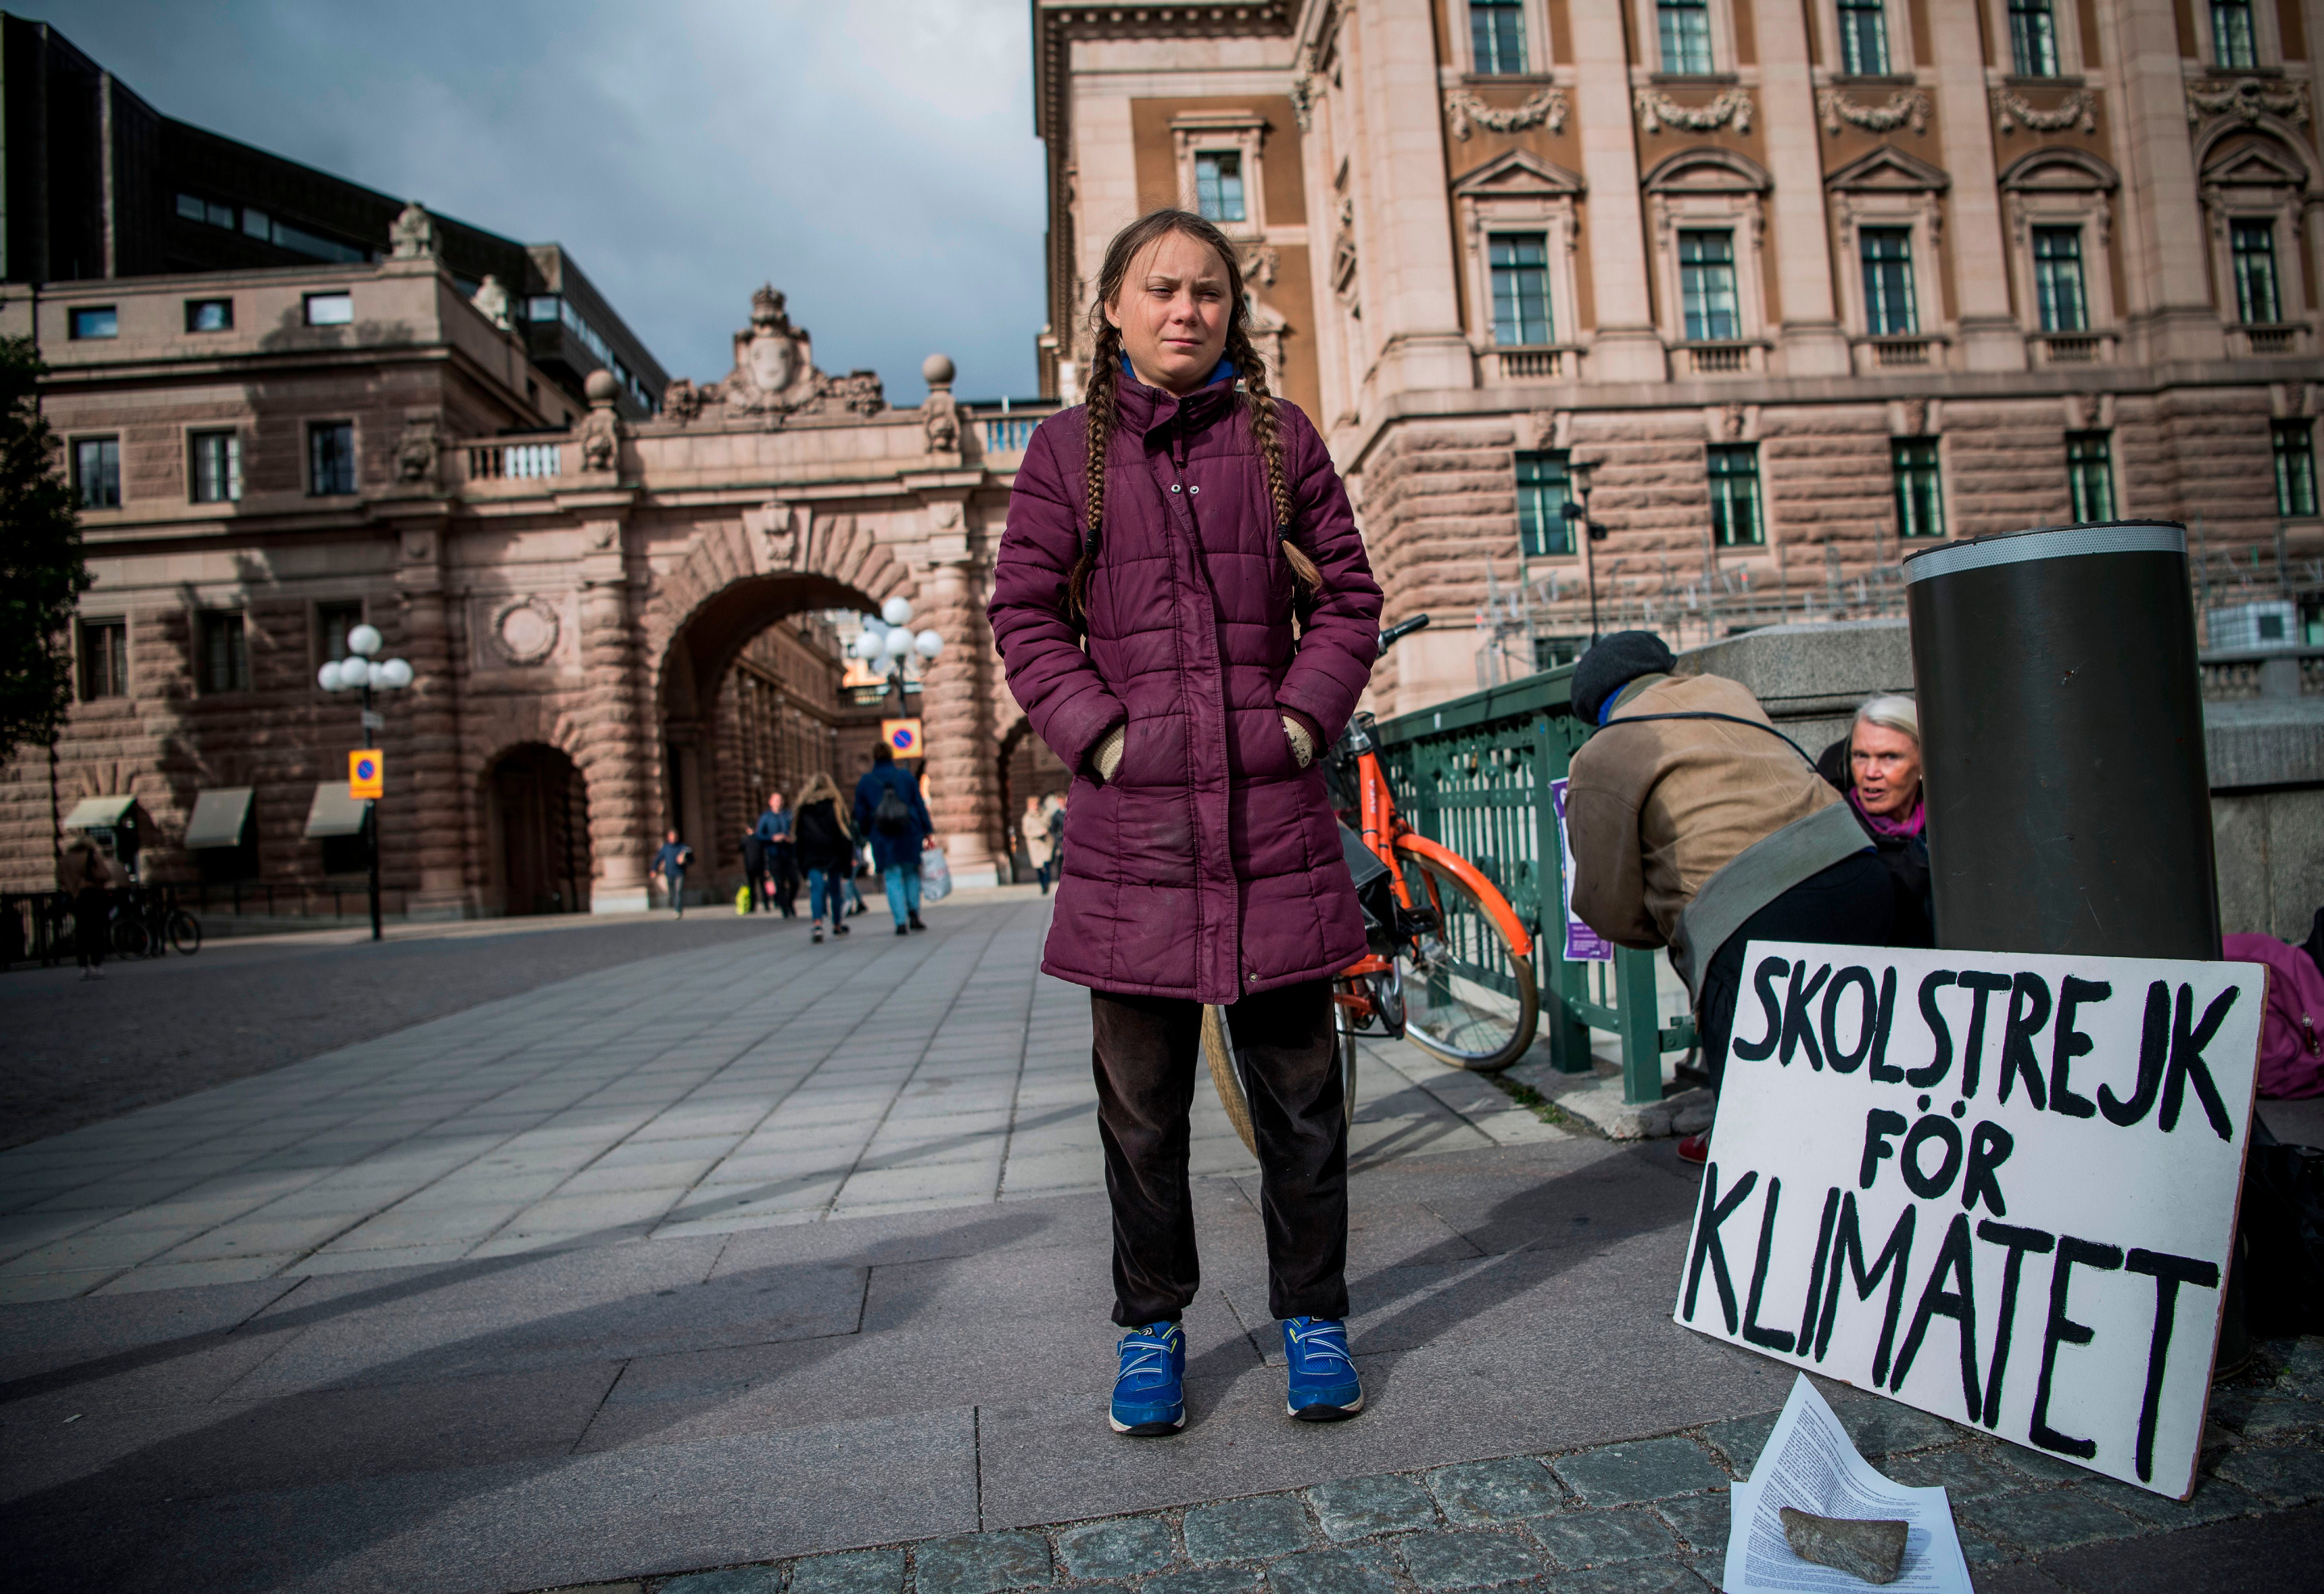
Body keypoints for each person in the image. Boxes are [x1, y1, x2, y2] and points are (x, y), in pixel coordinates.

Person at [989, 207, 1384, 1436]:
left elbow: (1349, 598)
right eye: (1159, 289)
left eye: (1207, 292)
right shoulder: (1066, 451)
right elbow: (1024, 615)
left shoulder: (1280, 438)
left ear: (1232, 311)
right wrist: (1102, 736)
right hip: (1134, 844)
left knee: (1303, 1102)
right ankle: (1150, 1328)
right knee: (1140, 1115)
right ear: (1110, 307)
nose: (1184, 310)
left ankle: (1311, 1316)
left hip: (1270, 822)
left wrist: (1301, 725)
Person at [1563, 631, 1893, 1165]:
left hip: (1752, 910)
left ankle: (1753, 1163)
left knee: (1753, 1075)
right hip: (1857, 865)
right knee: (1862, 1039)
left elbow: (1606, 904)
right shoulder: (1726, 690)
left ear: (1592, 706)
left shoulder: (1602, 755)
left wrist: (1684, 925)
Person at [1815, 695, 1933, 949]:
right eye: (1860, 756)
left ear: (1925, 763)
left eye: (1889, 757)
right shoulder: (1831, 833)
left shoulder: (1950, 826)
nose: (1871, 773)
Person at [854, 744, 937, 936]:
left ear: (874, 757)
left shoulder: (866, 781)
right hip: (909, 831)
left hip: (882, 835)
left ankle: (900, 922)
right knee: (911, 873)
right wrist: (927, 830)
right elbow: (919, 803)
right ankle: (914, 913)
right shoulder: (906, 777)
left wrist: (867, 832)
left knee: (892, 877)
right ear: (892, 756)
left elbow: (861, 812)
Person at [793, 771, 854, 944]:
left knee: (817, 891)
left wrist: (801, 865)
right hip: (833, 854)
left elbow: (800, 839)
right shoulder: (836, 805)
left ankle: (818, 924)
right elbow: (845, 835)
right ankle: (837, 926)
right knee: (836, 892)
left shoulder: (804, 808)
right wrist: (847, 863)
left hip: (812, 855)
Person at [57, 833, 117, 980]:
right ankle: (96, 965)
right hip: (93, 895)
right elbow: (105, 875)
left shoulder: (65, 860)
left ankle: (83, 967)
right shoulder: (91, 856)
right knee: (96, 932)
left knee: (81, 933)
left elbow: (60, 879)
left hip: (76, 898)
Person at [755, 792, 798, 917]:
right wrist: (772, 838)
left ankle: (790, 902)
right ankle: (785, 910)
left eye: (780, 800)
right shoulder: (766, 817)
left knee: (795, 882)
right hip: (774, 855)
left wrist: (792, 838)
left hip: (789, 854)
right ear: (771, 802)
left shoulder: (788, 815)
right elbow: (759, 836)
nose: (779, 803)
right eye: (776, 800)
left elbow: (796, 830)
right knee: (779, 883)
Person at [1021, 793, 1057, 893]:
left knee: (1046, 864)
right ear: (1029, 806)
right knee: (1039, 867)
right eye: (1034, 805)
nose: (1036, 806)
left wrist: (1046, 830)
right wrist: (1039, 833)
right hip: (1035, 845)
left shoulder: (1045, 814)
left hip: (1046, 844)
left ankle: (1047, 885)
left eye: (1037, 804)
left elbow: (1050, 824)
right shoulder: (1027, 818)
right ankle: (1043, 884)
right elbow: (1026, 832)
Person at [653, 830, 693, 918]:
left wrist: (685, 859)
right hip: (669, 873)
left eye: (674, 837)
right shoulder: (666, 848)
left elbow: (691, 857)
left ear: (677, 837)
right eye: (671, 837)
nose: (673, 839)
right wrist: (654, 869)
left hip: (679, 873)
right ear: (669, 838)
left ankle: (678, 910)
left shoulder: (682, 847)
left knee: (678, 891)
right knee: (673, 892)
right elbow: (658, 859)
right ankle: (677, 908)